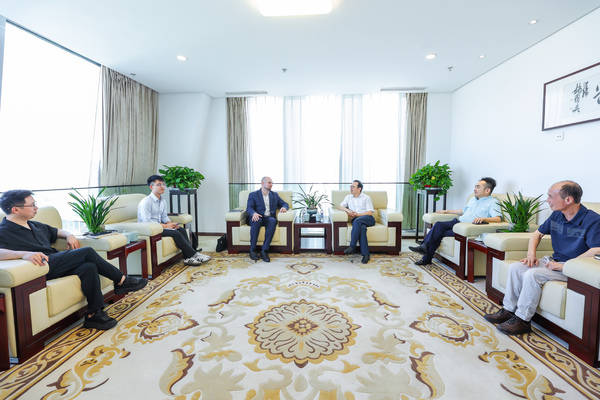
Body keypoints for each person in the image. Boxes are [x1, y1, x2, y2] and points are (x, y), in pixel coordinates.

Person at [0, 190, 148, 331]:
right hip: (39, 267)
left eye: (35, 204)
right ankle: (122, 281)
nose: (36, 207)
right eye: (32, 205)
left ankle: (94, 314)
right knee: (87, 252)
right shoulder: (3, 230)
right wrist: (23, 254)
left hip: (56, 261)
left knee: (88, 267)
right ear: (15, 209)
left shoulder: (34, 224)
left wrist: (69, 235)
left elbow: (57, 232)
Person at [484, 181, 600, 335]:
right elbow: (537, 234)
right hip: (553, 261)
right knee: (516, 267)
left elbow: (597, 250)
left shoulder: (593, 220)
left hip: (573, 269)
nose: (547, 200)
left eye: (551, 196)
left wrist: (565, 266)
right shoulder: (558, 214)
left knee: (533, 274)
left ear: (568, 200)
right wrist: (531, 254)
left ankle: (522, 321)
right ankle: (509, 311)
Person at [409, 177, 502, 266]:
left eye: (478, 187)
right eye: (475, 186)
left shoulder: (493, 202)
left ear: (487, 190)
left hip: (465, 228)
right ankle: (425, 247)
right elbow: (463, 211)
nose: (474, 189)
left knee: (438, 232)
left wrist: (484, 218)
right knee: (438, 225)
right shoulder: (473, 199)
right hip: (457, 222)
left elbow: (498, 218)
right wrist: (446, 211)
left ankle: (426, 255)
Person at [138, 175, 211, 266]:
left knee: (181, 229)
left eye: (163, 184)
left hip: (159, 227)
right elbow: (147, 222)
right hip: (150, 229)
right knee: (176, 233)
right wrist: (166, 226)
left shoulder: (162, 201)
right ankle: (194, 254)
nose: (162, 187)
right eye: (159, 185)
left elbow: (164, 217)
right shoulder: (146, 202)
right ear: (151, 187)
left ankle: (187, 258)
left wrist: (171, 224)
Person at [247, 176, 289, 262]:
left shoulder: (274, 195)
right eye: (269, 183)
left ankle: (264, 251)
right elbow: (249, 207)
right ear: (263, 183)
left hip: (268, 218)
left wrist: (284, 207)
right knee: (257, 221)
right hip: (257, 217)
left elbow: (285, 203)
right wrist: (254, 213)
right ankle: (252, 250)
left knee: (272, 221)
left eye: (272, 183)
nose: (271, 184)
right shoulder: (253, 195)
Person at [338, 180, 375, 264]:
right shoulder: (348, 197)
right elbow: (340, 207)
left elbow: (370, 212)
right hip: (357, 221)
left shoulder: (366, 198)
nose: (351, 188)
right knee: (362, 228)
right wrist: (348, 211)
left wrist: (358, 215)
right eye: (350, 186)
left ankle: (352, 246)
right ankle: (366, 255)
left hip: (368, 218)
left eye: (353, 187)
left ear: (359, 189)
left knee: (357, 220)